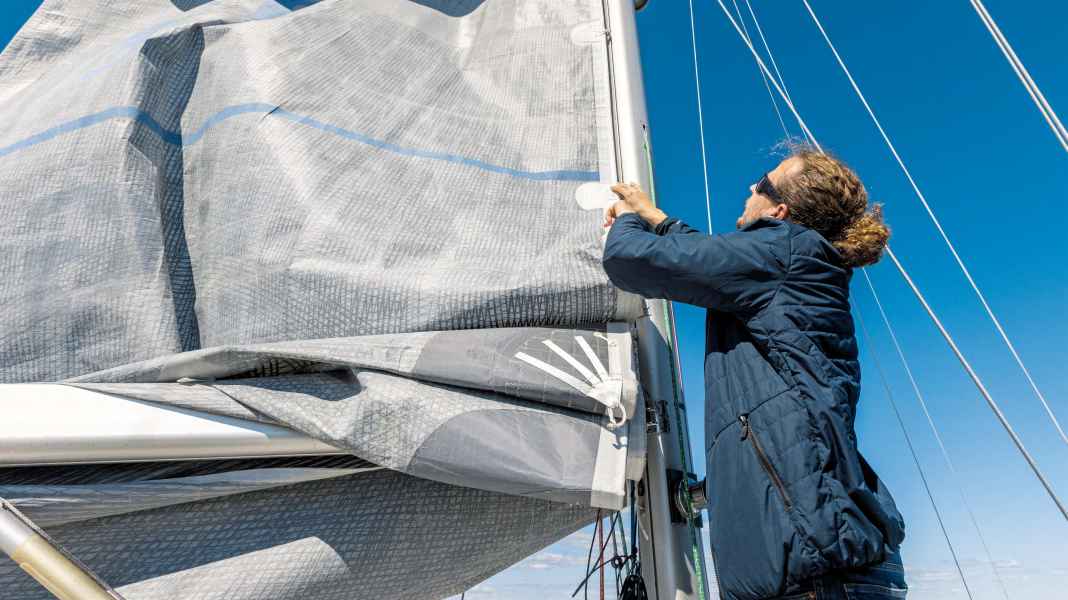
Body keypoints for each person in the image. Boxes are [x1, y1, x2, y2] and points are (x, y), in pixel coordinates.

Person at [602, 149, 907, 600]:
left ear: (780, 211)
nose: (750, 188)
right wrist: (660, 219)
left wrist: (628, 219)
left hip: (816, 573)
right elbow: (709, 258)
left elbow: (630, 259)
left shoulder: (785, 251)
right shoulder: (790, 263)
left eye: (762, 183)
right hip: (818, 568)